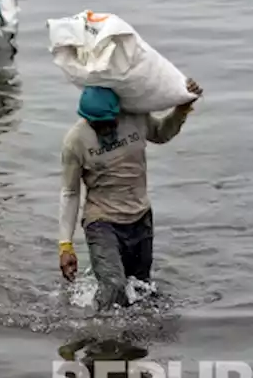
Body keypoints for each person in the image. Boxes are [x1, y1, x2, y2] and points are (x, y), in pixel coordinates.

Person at [58, 79, 203, 310]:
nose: (104, 129)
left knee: (141, 290)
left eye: (108, 123)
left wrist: (181, 108)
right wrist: (65, 245)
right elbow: (70, 192)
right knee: (114, 287)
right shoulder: (76, 141)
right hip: (102, 222)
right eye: (97, 124)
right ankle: (97, 335)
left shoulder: (135, 117)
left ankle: (133, 344)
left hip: (140, 217)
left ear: (117, 112)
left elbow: (162, 133)